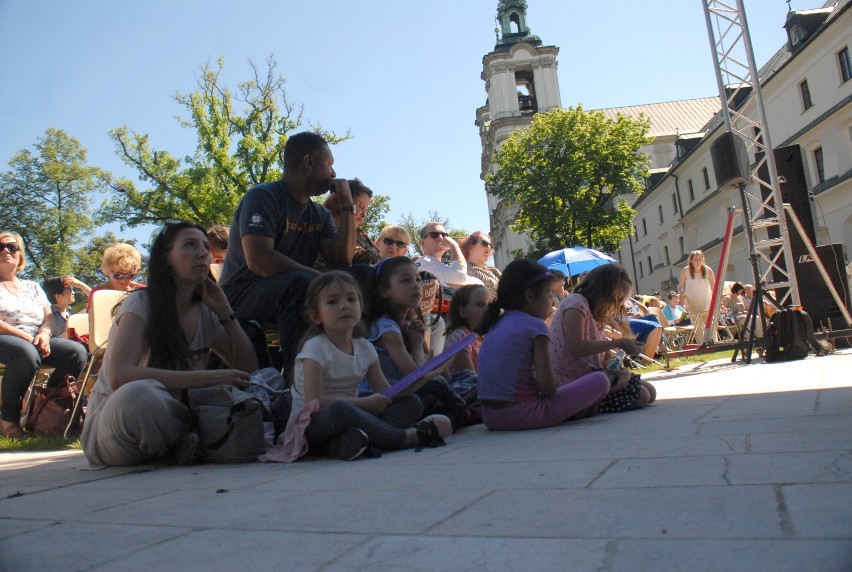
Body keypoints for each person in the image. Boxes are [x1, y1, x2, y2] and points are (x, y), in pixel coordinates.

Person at [81, 221, 258, 466]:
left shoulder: (205, 311)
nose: (202, 253)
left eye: (206, 247)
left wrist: (225, 311)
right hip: (117, 427)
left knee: (266, 379)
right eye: (189, 245)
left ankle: (183, 445)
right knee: (139, 395)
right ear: (166, 258)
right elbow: (121, 376)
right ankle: (195, 441)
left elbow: (248, 369)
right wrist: (212, 378)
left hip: (176, 416)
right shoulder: (141, 304)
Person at [219, 132, 356, 376]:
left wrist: (347, 206)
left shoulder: (319, 214)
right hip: (241, 295)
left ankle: (365, 373)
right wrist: (319, 280)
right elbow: (260, 260)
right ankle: (300, 384)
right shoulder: (263, 197)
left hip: (292, 288)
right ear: (309, 161)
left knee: (361, 278)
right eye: (329, 165)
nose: (334, 174)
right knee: (302, 284)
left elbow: (342, 259)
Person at [277, 271, 450, 462]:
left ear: (361, 307)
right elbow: (315, 401)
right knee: (340, 410)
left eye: (351, 299)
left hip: (353, 414)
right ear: (316, 316)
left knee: (411, 403)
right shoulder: (315, 347)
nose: (344, 306)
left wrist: (424, 376)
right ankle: (405, 438)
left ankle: (352, 442)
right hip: (315, 422)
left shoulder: (365, 347)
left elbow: (387, 392)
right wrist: (364, 404)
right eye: (333, 302)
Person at [475, 259, 610, 431]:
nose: (553, 301)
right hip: (522, 414)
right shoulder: (535, 326)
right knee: (601, 380)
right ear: (530, 295)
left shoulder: (496, 323)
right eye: (548, 294)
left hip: (490, 417)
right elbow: (548, 388)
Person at [0, 232, 87, 439]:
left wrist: (45, 334)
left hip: (37, 338)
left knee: (76, 352)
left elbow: (48, 317)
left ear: (20, 254)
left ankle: (44, 408)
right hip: (8, 338)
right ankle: (9, 423)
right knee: (26, 353)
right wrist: (27, 338)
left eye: (11, 247)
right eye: (0, 247)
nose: (5, 250)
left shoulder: (33, 287)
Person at [363, 256, 467, 430]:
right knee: (434, 391)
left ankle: (457, 413)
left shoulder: (408, 325)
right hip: (388, 398)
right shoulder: (386, 329)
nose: (415, 285)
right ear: (384, 291)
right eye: (405, 280)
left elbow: (443, 375)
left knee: (466, 378)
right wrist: (418, 345)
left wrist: (433, 355)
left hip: (411, 390)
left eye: (417, 280)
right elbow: (416, 377)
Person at [549, 264, 655, 413]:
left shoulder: (596, 312)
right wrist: (619, 343)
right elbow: (576, 346)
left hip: (588, 374)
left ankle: (594, 400)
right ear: (603, 291)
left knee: (650, 391)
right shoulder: (576, 303)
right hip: (569, 380)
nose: (618, 306)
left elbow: (599, 351)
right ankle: (586, 406)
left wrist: (617, 368)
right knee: (642, 395)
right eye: (617, 299)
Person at [316, 179, 380, 269]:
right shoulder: (322, 226)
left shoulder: (362, 235)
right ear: (340, 201)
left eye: (365, 210)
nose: (363, 215)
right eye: (360, 206)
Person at [414, 222, 482, 289]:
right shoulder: (424, 261)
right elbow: (459, 276)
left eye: (444, 235)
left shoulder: (439, 267)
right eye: (434, 234)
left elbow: (461, 278)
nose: (440, 238)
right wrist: (453, 245)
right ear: (422, 243)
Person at [87, 242, 145, 311]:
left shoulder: (142, 291)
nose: (124, 280)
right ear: (109, 271)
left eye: (130, 275)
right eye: (118, 275)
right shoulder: (98, 293)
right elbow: (93, 320)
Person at [678, 250, 716, 343]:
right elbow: (680, 285)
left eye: (700, 259)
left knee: (710, 324)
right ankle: (701, 344)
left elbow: (713, 286)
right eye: (695, 259)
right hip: (692, 302)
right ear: (691, 260)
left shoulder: (708, 270)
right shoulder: (686, 270)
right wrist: (681, 292)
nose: (698, 261)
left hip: (706, 300)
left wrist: (716, 300)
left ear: (703, 259)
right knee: (697, 325)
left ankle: (713, 342)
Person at [461, 231, 500, 300]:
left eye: (491, 245)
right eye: (484, 243)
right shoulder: (464, 271)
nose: (489, 247)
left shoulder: (493, 270)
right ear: (471, 246)